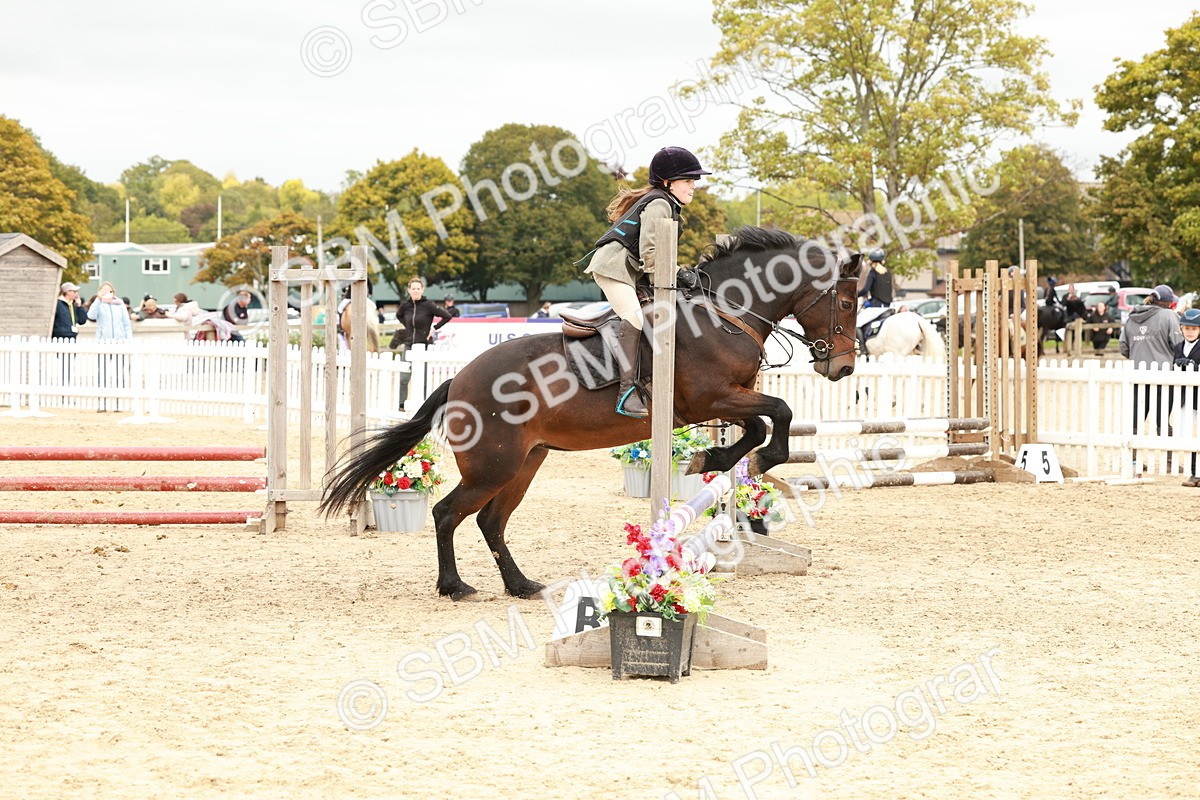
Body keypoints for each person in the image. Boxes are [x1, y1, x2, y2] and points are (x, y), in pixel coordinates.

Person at [583, 145, 709, 417]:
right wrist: (677, 274)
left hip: (629, 269)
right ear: (668, 182)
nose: (693, 185)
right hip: (613, 269)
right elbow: (650, 254)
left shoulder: (668, 204)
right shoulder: (659, 204)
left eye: (694, 181)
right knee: (635, 318)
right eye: (688, 180)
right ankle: (626, 393)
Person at [1120, 284, 1183, 469]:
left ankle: (1132, 460)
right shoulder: (1169, 316)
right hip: (1163, 376)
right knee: (1163, 419)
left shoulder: (1132, 318)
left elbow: (1123, 347)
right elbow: (1178, 345)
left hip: (1138, 375)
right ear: (1169, 302)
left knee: (1136, 419)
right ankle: (1168, 461)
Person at [389, 278, 454, 410]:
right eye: (413, 288)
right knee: (404, 378)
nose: (416, 291)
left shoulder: (428, 305)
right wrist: (408, 327)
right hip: (408, 344)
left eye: (418, 288)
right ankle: (402, 404)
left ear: (422, 290)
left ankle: (424, 406)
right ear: (409, 290)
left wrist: (434, 328)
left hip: (423, 345)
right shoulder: (405, 305)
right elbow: (399, 315)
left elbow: (447, 316)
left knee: (422, 378)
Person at [87, 281, 132, 412]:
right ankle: (103, 404)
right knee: (103, 374)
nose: (106, 292)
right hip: (103, 343)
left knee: (119, 373)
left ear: (113, 292)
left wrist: (128, 340)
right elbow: (91, 316)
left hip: (119, 342)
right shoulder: (99, 304)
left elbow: (126, 324)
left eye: (109, 290)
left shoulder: (120, 304)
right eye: (103, 290)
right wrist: (98, 299)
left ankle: (118, 404)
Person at [1173, 308, 1200, 486]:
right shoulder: (1177, 347)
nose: (1190, 331)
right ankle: (1193, 471)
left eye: (1194, 328)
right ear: (1181, 328)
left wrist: (1194, 366)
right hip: (1186, 397)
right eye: (1187, 328)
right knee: (1188, 435)